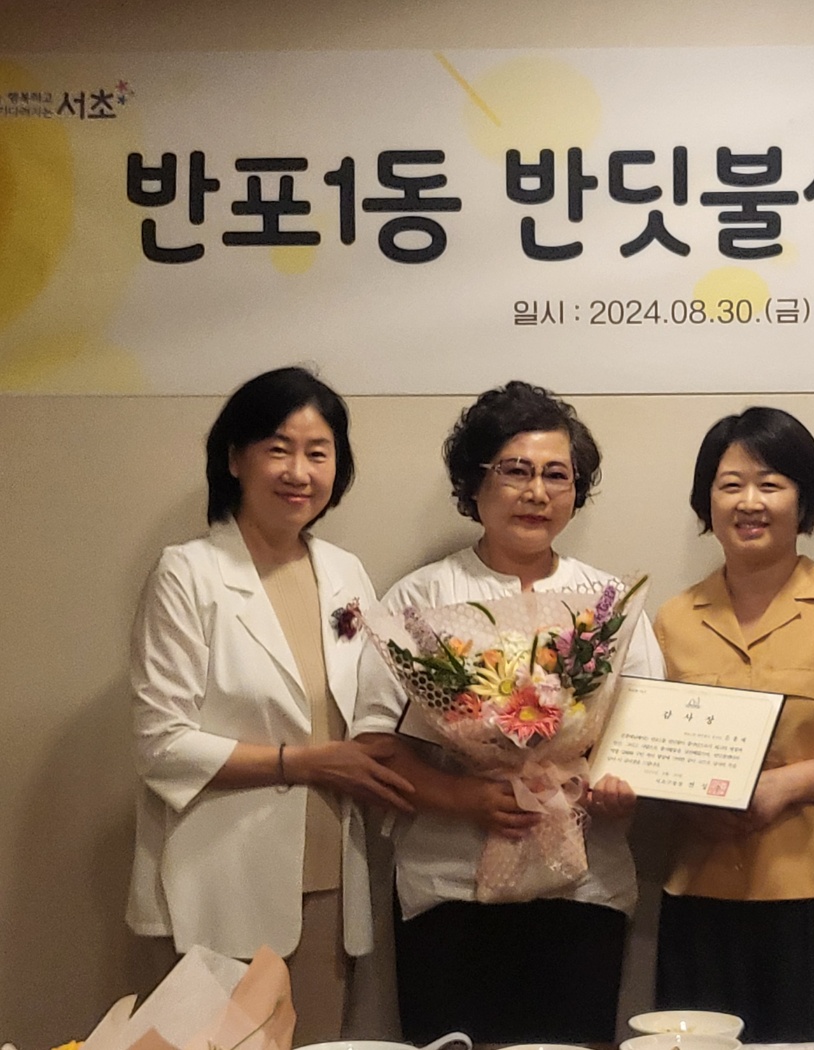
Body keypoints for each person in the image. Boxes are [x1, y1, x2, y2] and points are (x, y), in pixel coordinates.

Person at [353, 380, 663, 1045]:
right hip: (449, 887)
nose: (536, 492)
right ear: (475, 482)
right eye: (515, 471)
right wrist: (465, 798)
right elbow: (375, 746)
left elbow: (645, 731)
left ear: (576, 491)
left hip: (585, 888)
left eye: (557, 475)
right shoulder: (420, 599)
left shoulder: (609, 604)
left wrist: (617, 788)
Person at [127, 366, 415, 1045]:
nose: (299, 472)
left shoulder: (344, 572)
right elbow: (160, 744)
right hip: (222, 874)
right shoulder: (188, 573)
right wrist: (305, 762)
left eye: (318, 453)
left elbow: (376, 703)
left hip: (330, 877)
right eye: (278, 449)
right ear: (235, 458)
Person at [652, 406, 814, 1043]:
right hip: (702, 897)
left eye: (770, 484)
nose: (750, 502)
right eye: (730, 485)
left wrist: (784, 785)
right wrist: (688, 803)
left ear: (805, 500)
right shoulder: (672, 620)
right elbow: (649, 750)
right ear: (706, 501)